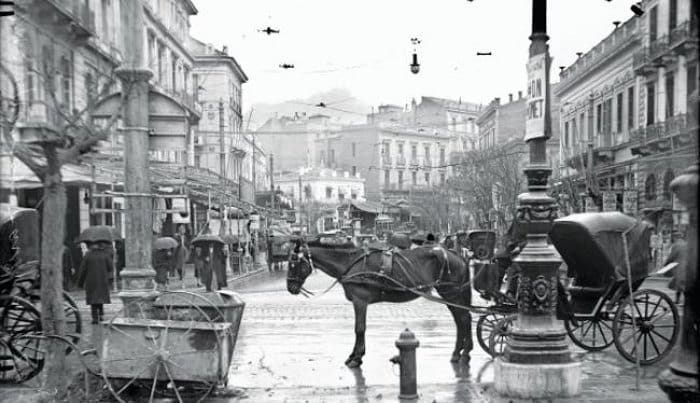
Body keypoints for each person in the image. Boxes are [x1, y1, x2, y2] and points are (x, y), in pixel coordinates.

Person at [77, 242, 112, 324]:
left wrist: (80, 283)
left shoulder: (88, 256)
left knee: (93, 300)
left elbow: (83, 270)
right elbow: (110, 267)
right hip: (102, 280)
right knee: (100, 298)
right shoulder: (105, 254)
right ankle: (101, 315)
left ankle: (95, 317)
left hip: (91, 280)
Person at [664, 232, 687, 304]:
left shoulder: (676, 245)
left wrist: (666, 264)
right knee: (682, 284)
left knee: (680, 285)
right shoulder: (687, 244)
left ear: (674, 238)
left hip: (679, 267)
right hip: (687, 266)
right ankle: (680, 300)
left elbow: (671, 256)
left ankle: (679, 300)